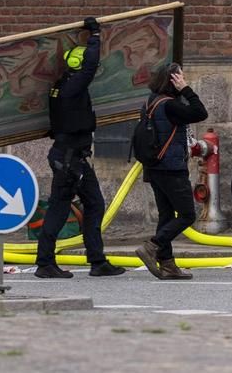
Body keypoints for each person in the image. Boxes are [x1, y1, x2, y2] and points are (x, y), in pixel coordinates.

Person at [35, 17, 125, 279]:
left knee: (95, 204)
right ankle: (45, 263)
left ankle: (97, 260)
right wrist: (95, 34)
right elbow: (90, 66)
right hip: (69, 159)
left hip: (73, 158)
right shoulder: (73, 86)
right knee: (59, 210)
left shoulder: (61, 85)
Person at [135, 62, 210, 279]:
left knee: (166, 216)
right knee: (187, 215)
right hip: (171, 168)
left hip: (153, 168)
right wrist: (186, 89)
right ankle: (152, 246)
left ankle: (167, 264)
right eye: (180, 77)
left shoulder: (150, 101)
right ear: (173, 81)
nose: (183, 79)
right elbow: (200, 113)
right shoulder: (170, 105)